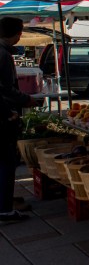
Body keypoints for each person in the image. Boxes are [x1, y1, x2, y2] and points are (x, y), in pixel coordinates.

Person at [1, 18, 37, 223]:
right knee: (7, 161)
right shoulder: (3, 55)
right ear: (16, 34)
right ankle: (5, 210)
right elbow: (5, 89)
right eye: (20, 32)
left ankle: (5, 201)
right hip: (4, 116)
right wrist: (12, 109)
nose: (21, 36)